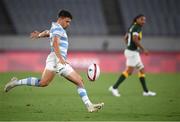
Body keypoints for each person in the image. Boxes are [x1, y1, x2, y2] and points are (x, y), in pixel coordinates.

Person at [4, 10, 104, 112]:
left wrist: (39, 35)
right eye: (67, 21)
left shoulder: (55, 27)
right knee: (79, 81)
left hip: (53, 58)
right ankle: (89, 106)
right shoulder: (58, 28)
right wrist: (60, 58)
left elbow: (48, 33)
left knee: (43, 82)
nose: (68, 24)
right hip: (58, 59)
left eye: (69, 22)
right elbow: (55, 42)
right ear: (61, 18)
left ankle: (15, 83)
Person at [109, 14, 156, 97]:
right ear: (137, 19)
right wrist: (143, 49)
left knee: (141, 70)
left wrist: (128, 45)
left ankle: (145, 91)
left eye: (144, 20)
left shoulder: (132, 26)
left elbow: (125, 37)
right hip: (132, 53)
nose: (143, 22)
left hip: (132, 52)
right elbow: (135, 39)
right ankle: (114, 87)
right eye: (142, 19)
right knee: (129, 71)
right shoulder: (136, 27)